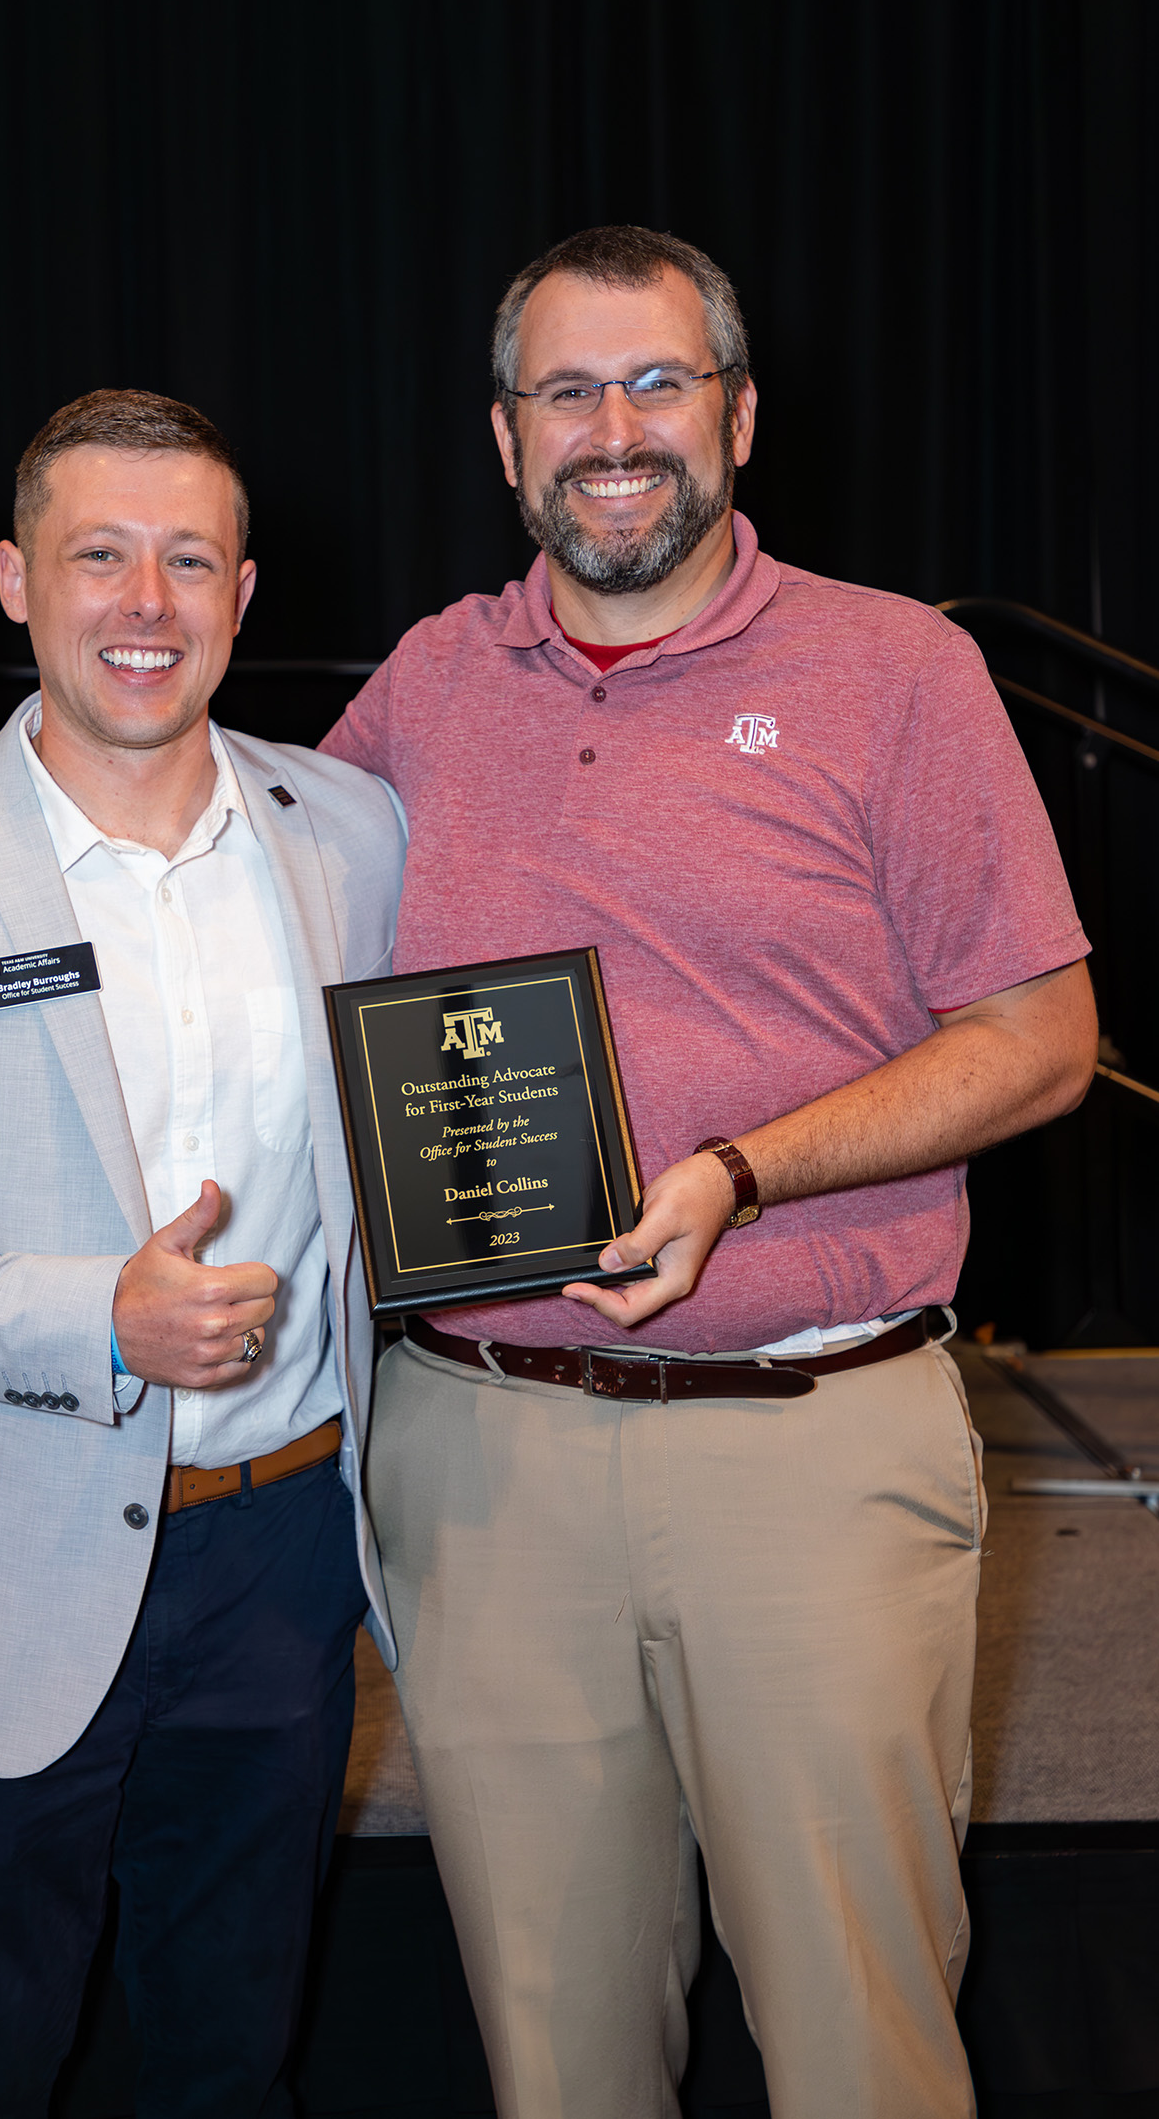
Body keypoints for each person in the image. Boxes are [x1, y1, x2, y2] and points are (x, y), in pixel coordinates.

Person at [322, 228, 1096, 2119]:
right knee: (554, 2047)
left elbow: (1041, 1038)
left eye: (656, 383)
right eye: (566, 391)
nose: (615, 430)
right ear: (506, 441)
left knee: (860, 2040)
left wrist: (742, 1170)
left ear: (739, 416)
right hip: (482, 1454)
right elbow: (266, 938)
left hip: (807, 1445)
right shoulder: (427, 686)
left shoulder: (895, 670)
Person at [0, 389, 405, 2118]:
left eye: (189, 559)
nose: (145, 602)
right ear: (16, 580)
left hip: (277, 1558)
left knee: (229, 2054)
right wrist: (94, 1317)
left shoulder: (352, 834)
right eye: (98, 555)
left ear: (244, 593)